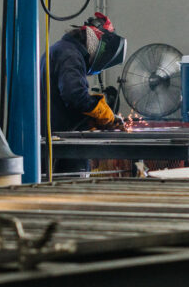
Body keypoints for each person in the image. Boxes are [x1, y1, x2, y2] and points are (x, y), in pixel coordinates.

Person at [40, 12, 127, 173]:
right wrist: (103, 113)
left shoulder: (63, 50)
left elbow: (63, 100)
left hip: (56, 140)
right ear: (99, 40)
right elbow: (75, 95)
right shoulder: (70, 55)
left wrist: (91, 120)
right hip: (62, 146)